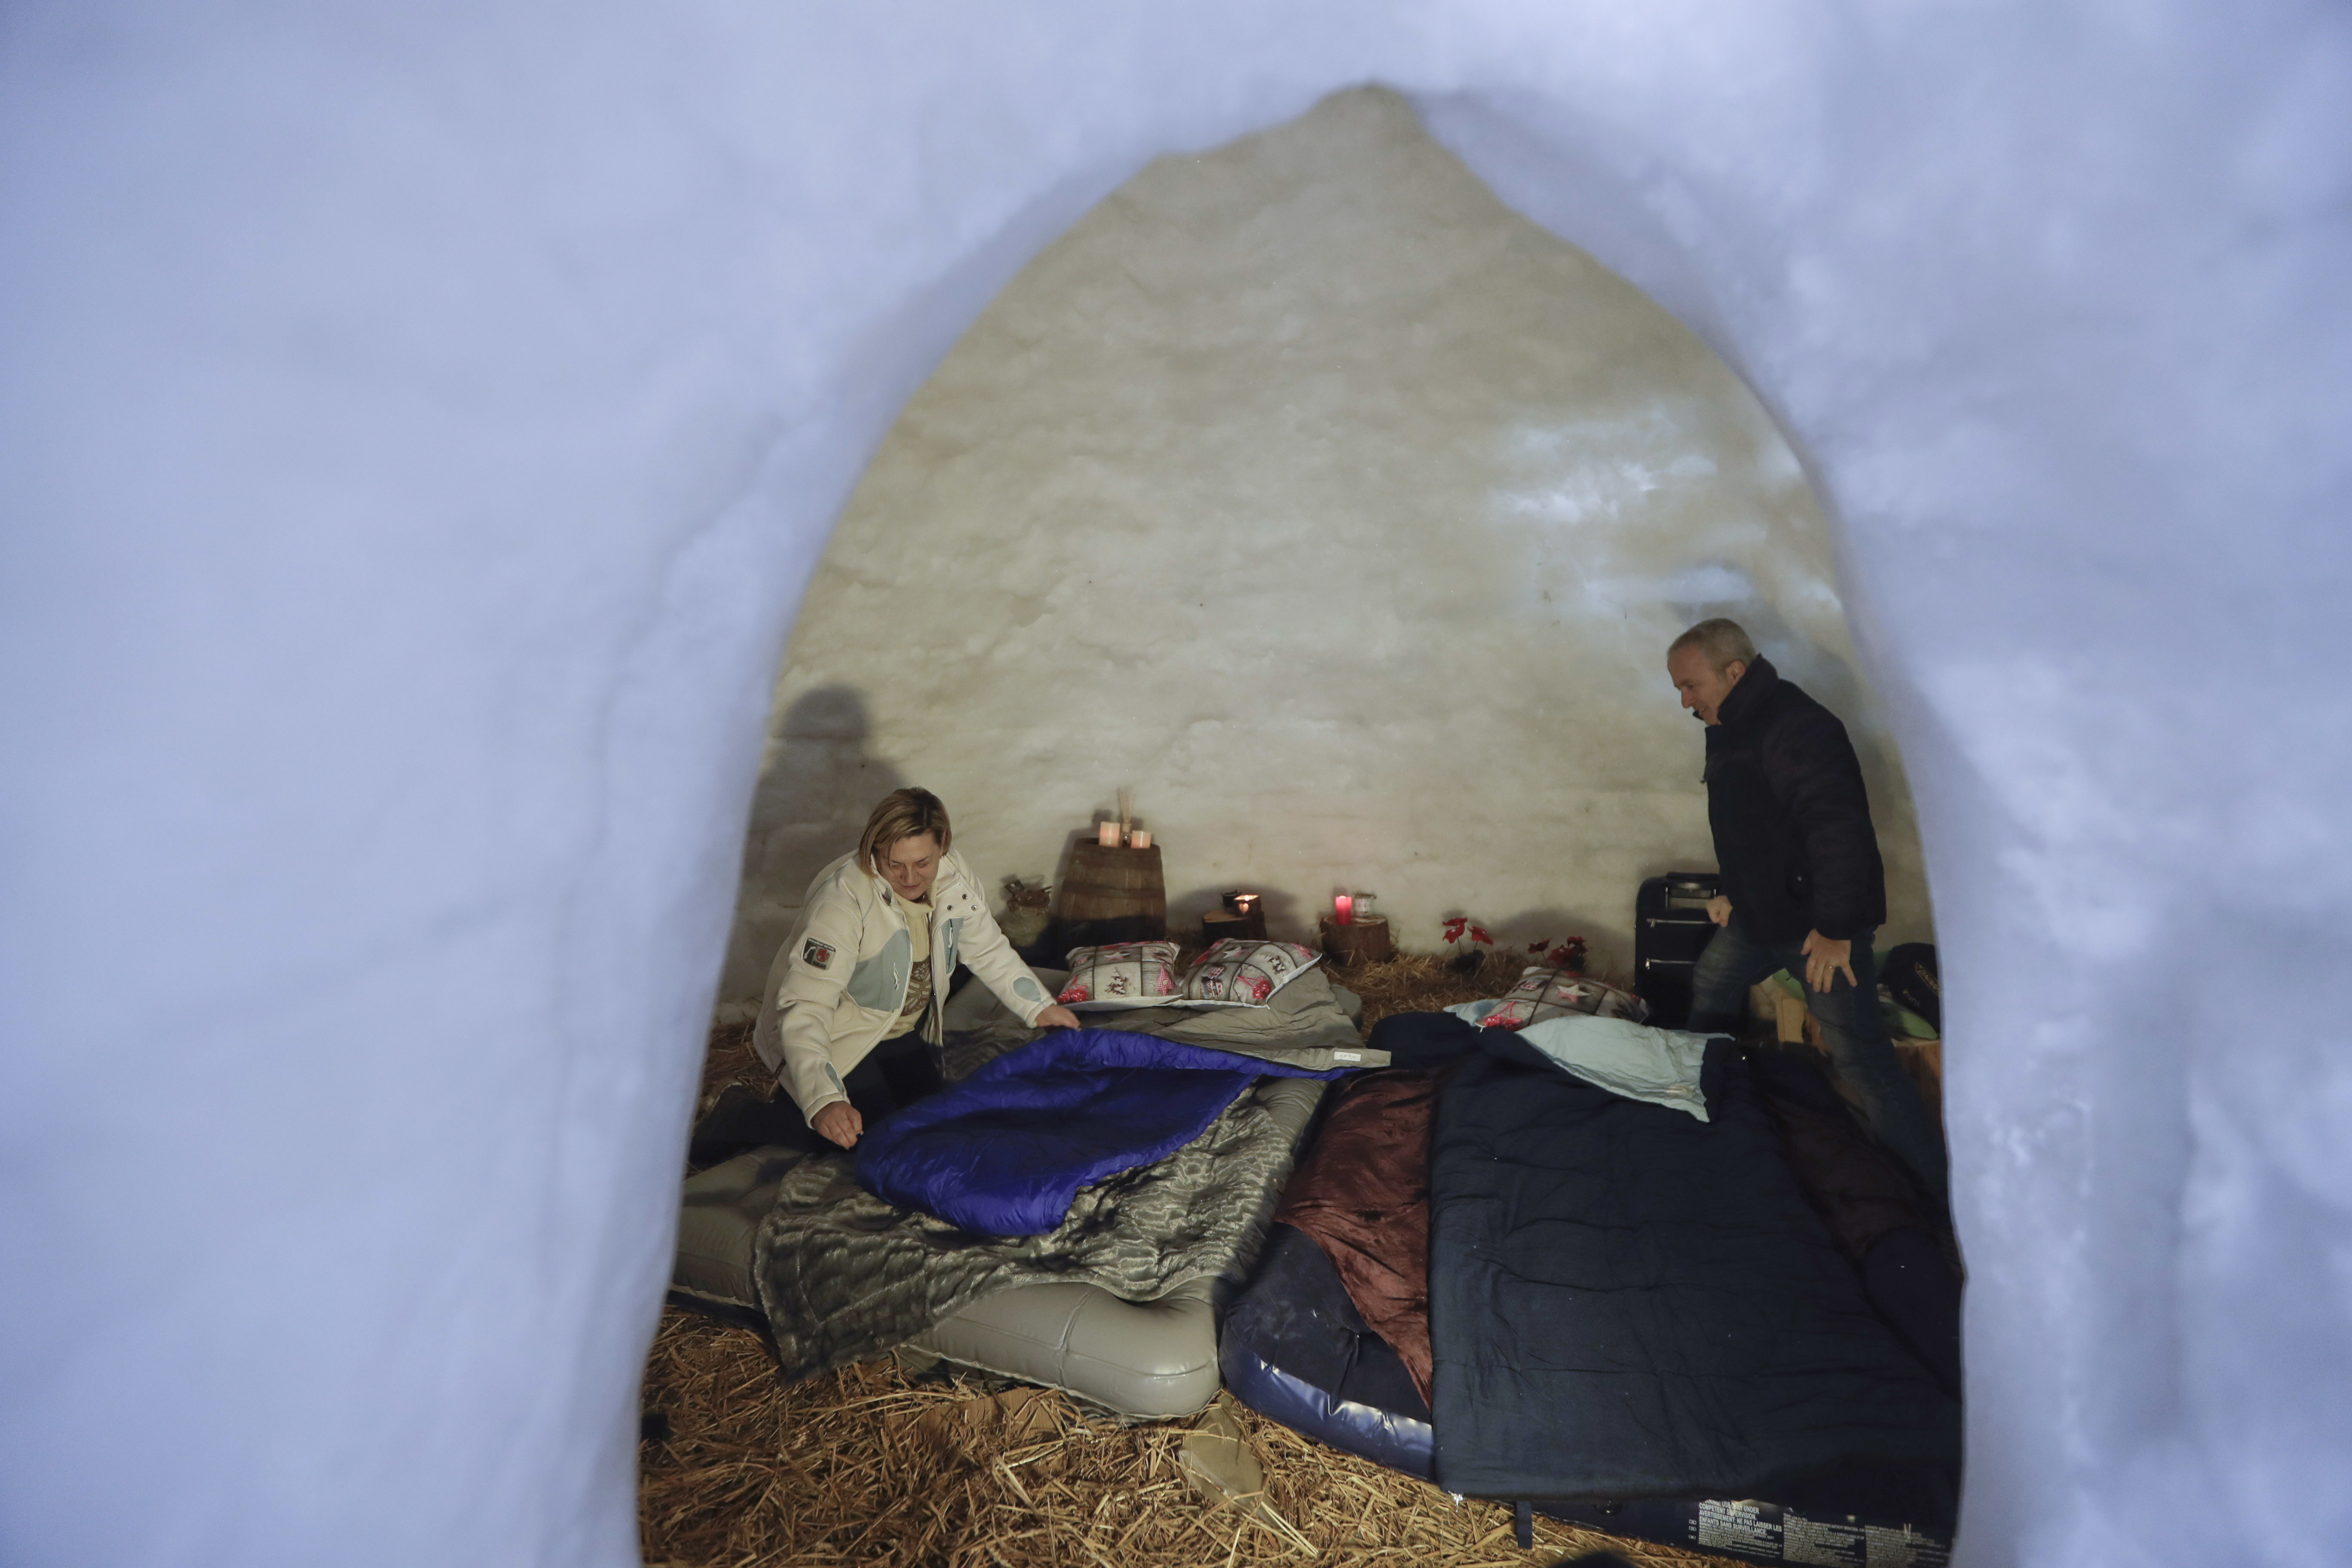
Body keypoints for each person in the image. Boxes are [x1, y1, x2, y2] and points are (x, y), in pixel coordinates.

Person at [1667, 618, 1949, 1199]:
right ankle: (1707, 1105)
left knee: (1860, 1058)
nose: (1685, 701)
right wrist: (1734, 892)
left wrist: (1838, 930)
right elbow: (1755, 829)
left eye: (1691, 686)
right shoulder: (1731, 722)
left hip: (1817, 929)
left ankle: (1933, 1196)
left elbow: (1837, 831)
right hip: (1761, 915)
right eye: (1680, 689)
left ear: (1734, 673)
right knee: (1713, 985)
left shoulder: (1797, 727)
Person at [752, 787, 1080, 1148]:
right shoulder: (842, 903)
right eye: (895, 864)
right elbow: (806, 1005)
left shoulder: (953, 880)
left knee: (935, 1127)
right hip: (841, 1038)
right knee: (873, 1141)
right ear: (875, 850)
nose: (911, 878)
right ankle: (751, 1118)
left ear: (942, 846)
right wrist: (824, 1101)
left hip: (901, 1029)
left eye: (923, 863)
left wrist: (1040, 1008)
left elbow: (986, 948)